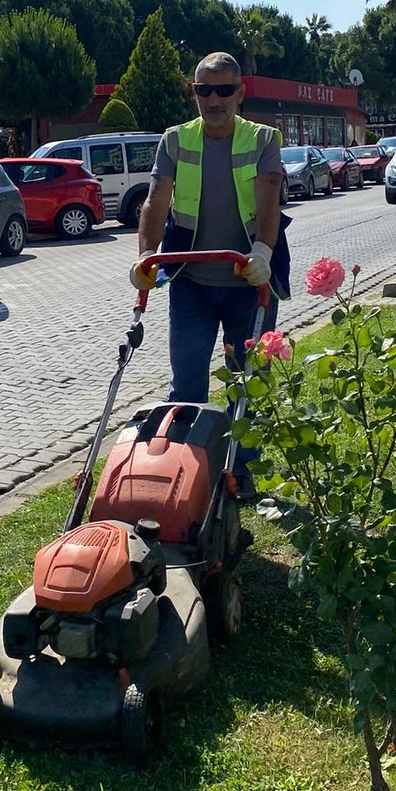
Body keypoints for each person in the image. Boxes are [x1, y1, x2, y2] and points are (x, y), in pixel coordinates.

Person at [128, 51, 289, 500]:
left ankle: (242, 471)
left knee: (247, 382)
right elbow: (156, 200)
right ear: (194, 92)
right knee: (186, 383)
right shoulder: (176, 140)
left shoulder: (263, 139)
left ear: (240, 93)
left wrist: (262, 251)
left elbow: (269, 199)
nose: (214, 100)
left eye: (223, 90)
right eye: (204, 90)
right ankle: (188, 470)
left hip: (250, 283)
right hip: (192, 283)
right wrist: (147, 256)